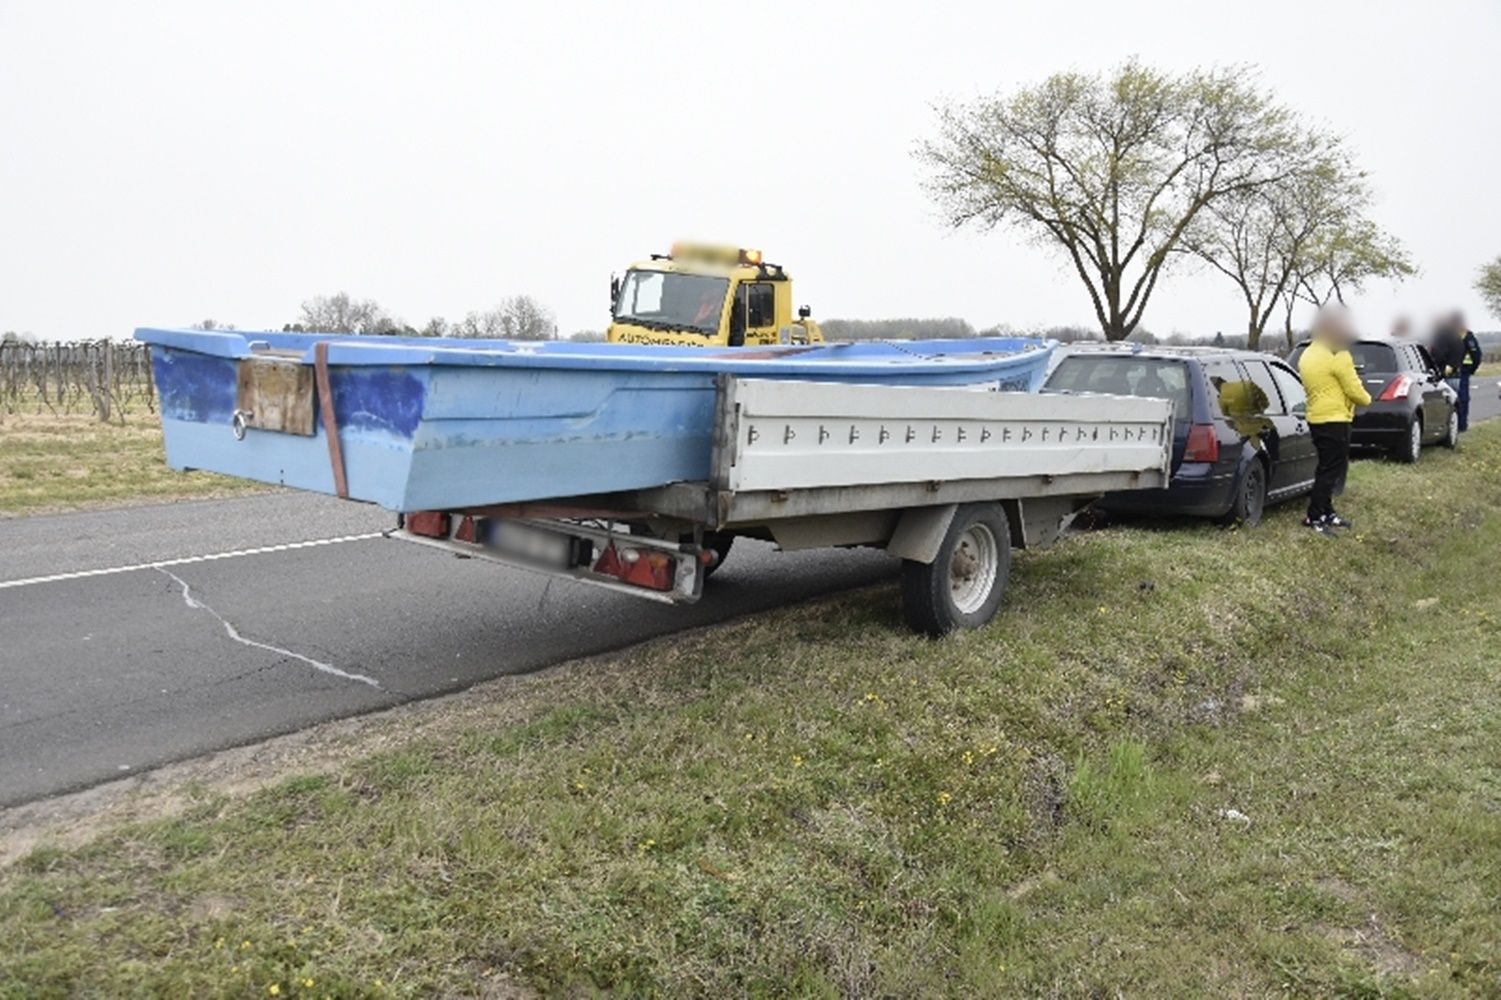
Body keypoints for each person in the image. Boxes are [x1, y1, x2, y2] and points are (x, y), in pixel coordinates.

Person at [1298, 306, 1371, 533]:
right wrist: (1367, 399)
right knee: (1331, 470)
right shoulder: (1337, 354)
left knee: (1326, 466)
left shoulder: (1309, 353)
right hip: (1335, 419)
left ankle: (1327, 511)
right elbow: (1354, 389)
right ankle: (1315, 516)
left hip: (1316, 417)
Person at [1449, 311, 1483, 432]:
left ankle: (1461, 426)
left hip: (1463, 372)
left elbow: (1476, 356)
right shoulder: (1449, 335)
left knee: (1462, 400)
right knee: (1450, 400)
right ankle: (1452, 427)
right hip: (1451, 372)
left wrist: (1471, 369)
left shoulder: (1468, 336)